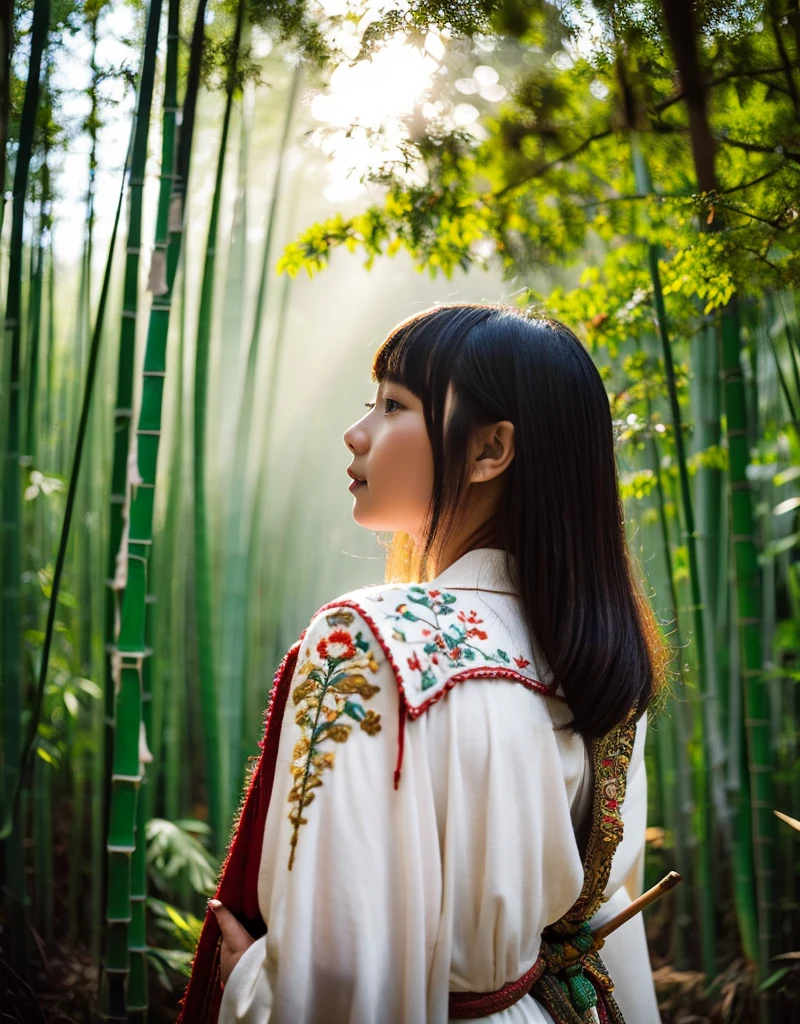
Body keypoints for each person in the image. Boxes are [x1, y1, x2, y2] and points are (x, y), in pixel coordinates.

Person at [178, 304, 667, 1023]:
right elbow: (599, 916)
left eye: (393, 404)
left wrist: (251, 979)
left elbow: (335, 977)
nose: (356, 432)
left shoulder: (369, 640)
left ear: (489, 450)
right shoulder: (595, 655)